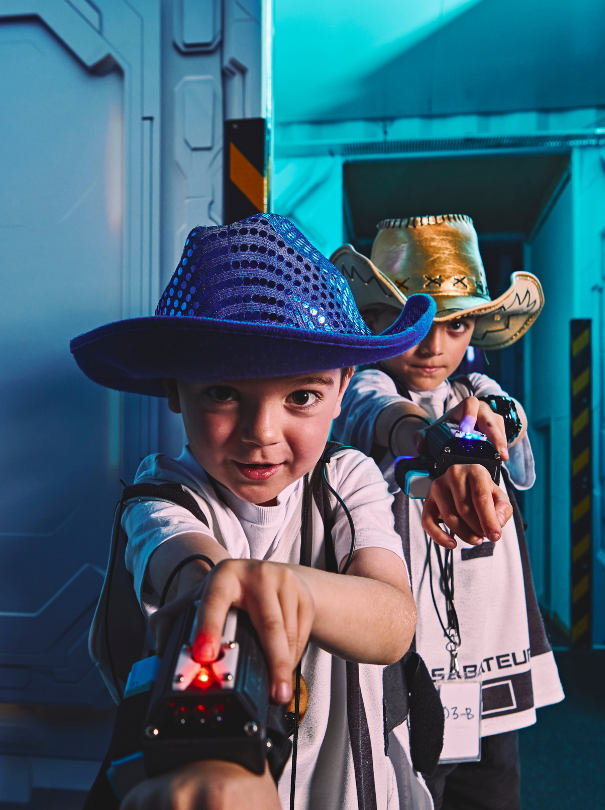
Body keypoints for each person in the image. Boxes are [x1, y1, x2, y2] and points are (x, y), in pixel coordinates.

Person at [71, 214, 443, 810]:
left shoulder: (346, 478)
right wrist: (221, 588)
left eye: (301, 396)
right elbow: (195, 577)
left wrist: (278, 583)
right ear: (175, 387)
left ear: (343, 388)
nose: (262, 433)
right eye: (223, 393)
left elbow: (393, 622)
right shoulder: (161, 497)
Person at [331, 214, 564, 810]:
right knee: (409, 787)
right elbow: (387, 417)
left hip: (491, 643)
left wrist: (493, 427)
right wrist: (441, 446)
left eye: (456, 324)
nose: (436, 346)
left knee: (494, 790)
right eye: (415, 321)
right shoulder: (359, 391)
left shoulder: (480, 394)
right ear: (376, 321)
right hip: (410, 650)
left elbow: (511, 436)